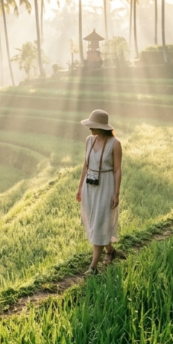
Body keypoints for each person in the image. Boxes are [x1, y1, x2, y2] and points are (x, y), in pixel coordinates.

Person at [75, 109, 125, 274]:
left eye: (93, 125)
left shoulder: (115, 143)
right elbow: (85, 165)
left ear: (102, 127)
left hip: (106, 186)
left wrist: (116, 193)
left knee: (99, 223)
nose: (90, 128)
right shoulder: (89, 140)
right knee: (95, 222)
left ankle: (93, 268)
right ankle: (110, 251)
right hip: (89, 187)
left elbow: (117, 170)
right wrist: (80, 188)